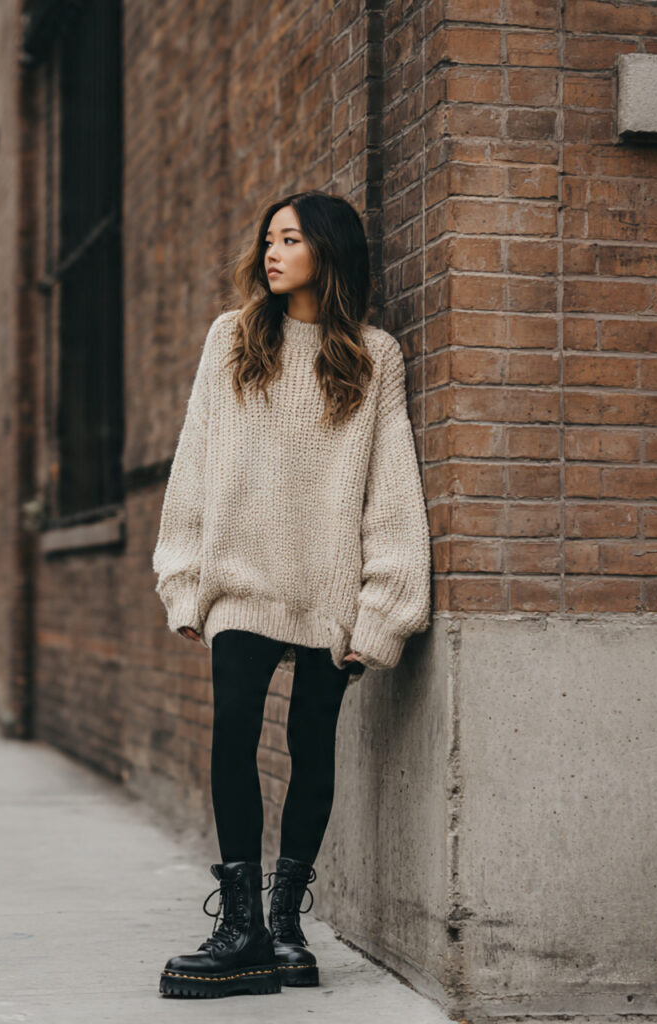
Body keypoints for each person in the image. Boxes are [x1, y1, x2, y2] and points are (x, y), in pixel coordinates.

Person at [152, 190, 432, 998]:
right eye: (268, 240)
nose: (272, 253)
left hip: (328, 592)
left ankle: (284, 929)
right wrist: (184, 580)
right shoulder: (232, 339)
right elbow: (195, 460)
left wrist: (382, 613)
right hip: (241, 579)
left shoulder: (375, 356)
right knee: (234, 734)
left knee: (313, 750)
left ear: (328, 253)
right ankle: (238, 924)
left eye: (291, 240)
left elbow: (392, 490)